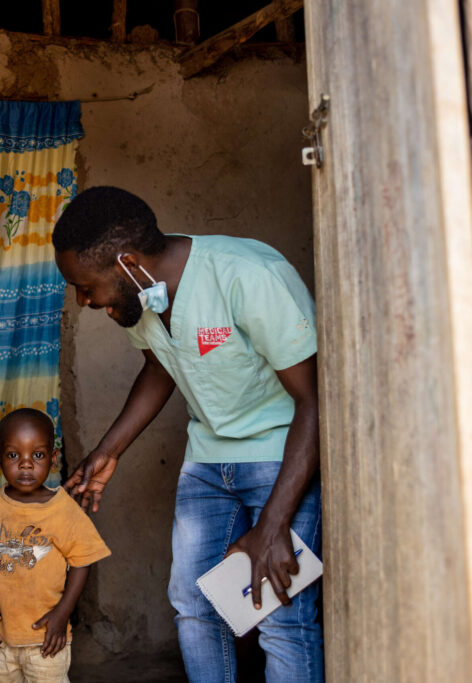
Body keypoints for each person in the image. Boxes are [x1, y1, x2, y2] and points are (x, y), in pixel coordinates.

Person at [52, 187, 322, 682]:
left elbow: (314, 401)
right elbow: (161, 365)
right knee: (194, 607)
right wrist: (109, 450)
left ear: (128, 263)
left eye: (86, 286)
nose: (83, 300)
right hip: (206, 460)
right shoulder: (142, 296)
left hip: (280, 456)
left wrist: (273, 524)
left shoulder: (247, 275)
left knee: (282, 614)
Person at [0, 408, 110, 683]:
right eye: (14, 455)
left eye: (37, 455)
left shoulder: (64, 509)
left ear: (52, 459)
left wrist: (63, 612)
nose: (26, 464)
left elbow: (83, 560)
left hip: (46, 638)